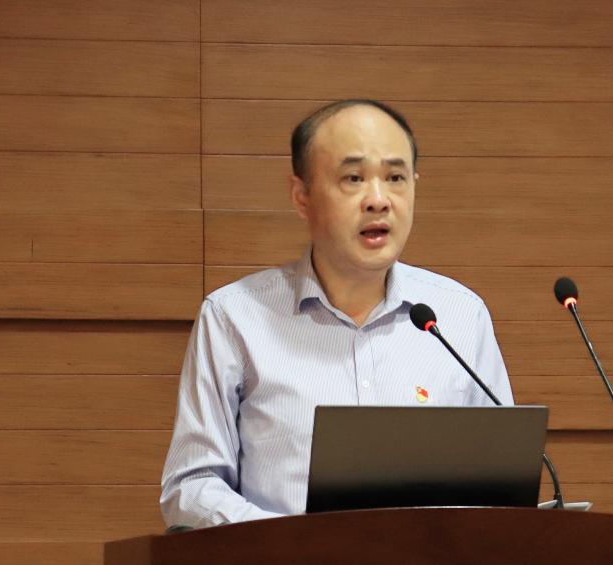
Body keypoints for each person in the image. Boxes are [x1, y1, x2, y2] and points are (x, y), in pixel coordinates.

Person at [160, 99, 513, 527]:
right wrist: (293, 543)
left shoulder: (460, 316)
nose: (379, 200)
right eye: (354, 178)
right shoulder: (234, 318)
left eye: (396, 178)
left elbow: (501, 486)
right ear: (302, 196)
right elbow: (192, 486)